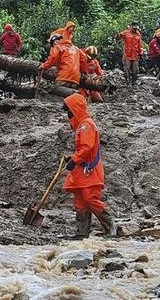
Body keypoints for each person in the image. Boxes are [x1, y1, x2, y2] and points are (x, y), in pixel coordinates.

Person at [62, 93, 114, 238]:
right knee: (80, 201)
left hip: (89, 169)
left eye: (69, 110)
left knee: (90, 198)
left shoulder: (86, 125)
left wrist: (74, 159)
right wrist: (72, 158)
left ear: (75, 109)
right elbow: (84, 149)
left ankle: (110, 225)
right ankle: (81, 233)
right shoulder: (82, 125)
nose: (68, 114)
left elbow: (87, 147)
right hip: (82, 169)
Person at [115, 21, 143, 86]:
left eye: (136, 28)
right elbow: (117, 38)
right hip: (127, 55)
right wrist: (118, 35)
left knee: (135, 70)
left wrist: (141, 52)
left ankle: (134, 83)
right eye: (134, 28)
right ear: (131, 26)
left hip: (135, 55)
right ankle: (127, 83)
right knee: (127, 70)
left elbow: (140, 45)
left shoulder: (138, 34)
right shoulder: (126, 32)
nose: (135, 29)